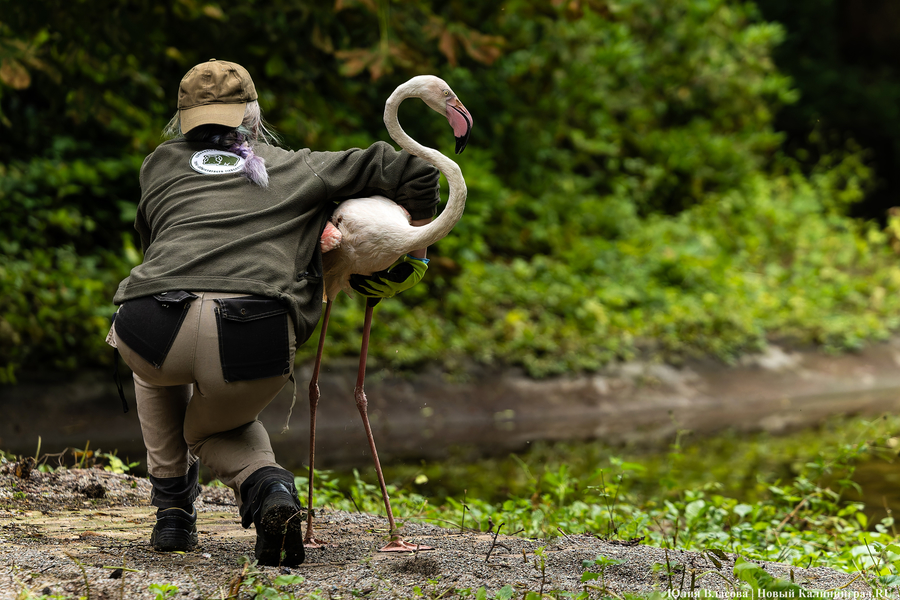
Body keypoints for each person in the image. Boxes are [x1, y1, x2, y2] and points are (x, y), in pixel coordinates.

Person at [107, 59, 438, 566]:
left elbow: (156, 247)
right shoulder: (298, 166)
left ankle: (173, 516)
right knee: (212, 431)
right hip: (251, 333)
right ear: (254, 118)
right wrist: (405, 246)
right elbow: (416, 169)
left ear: (183, 122)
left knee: (154, 374)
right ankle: (270, 491)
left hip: (152, 320)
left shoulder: (159, 163)